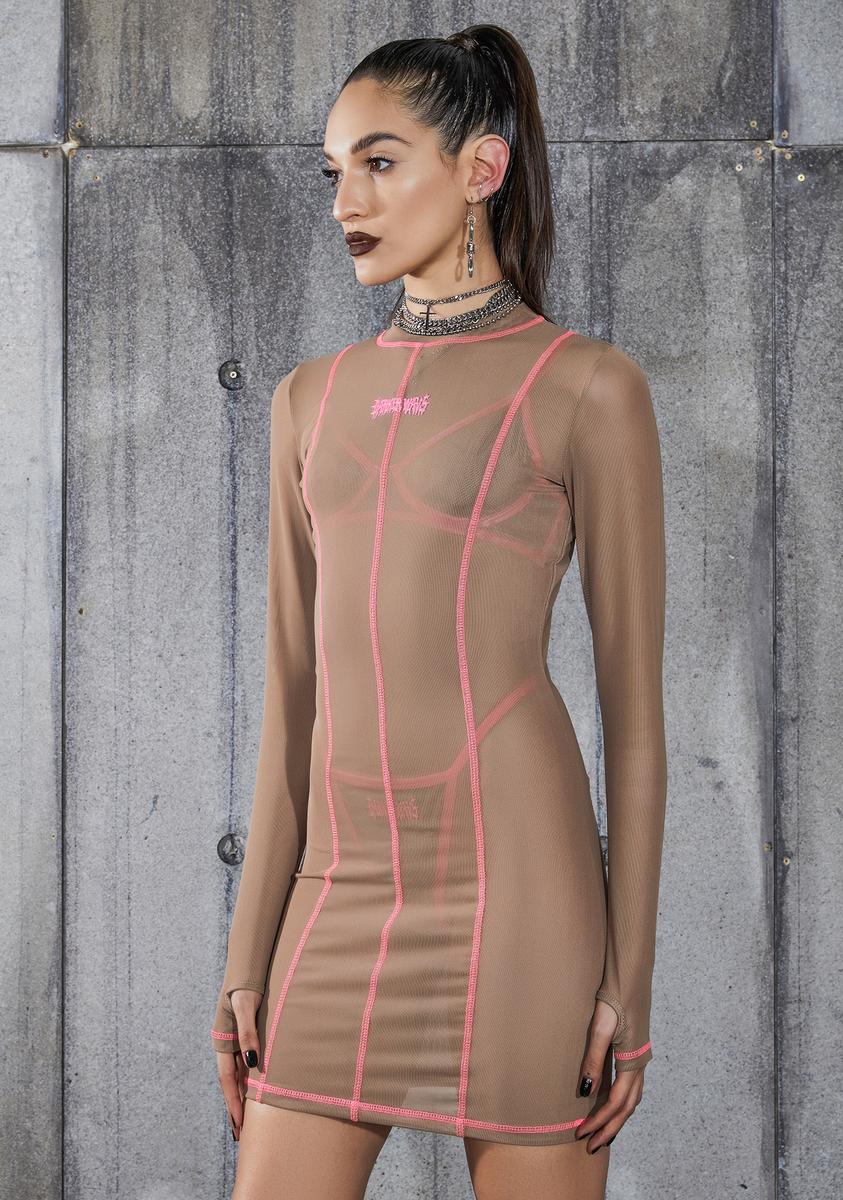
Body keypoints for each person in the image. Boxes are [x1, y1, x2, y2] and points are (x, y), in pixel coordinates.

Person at [210, 23, 667, 1200]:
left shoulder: (587, 387)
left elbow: (636, 723)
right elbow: (293, 699)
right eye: (334, 172)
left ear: (481, 168)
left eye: (379, 162)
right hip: (338, 891)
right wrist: (247, 956)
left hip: (519, 892)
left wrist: (630, 979)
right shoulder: (308, 400)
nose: (345, 202)